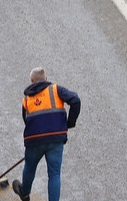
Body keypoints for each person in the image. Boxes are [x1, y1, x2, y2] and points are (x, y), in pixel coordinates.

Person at [12, 68, 81, 201]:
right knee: (54, 174)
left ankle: (24, 193)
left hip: (34, 140)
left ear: (32, 80)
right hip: (56, 139)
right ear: (46, 78)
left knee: (30, 167)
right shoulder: (56, 90)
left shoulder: (26, 99)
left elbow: (26, 120)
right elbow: (75, 100)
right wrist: (69, 123)